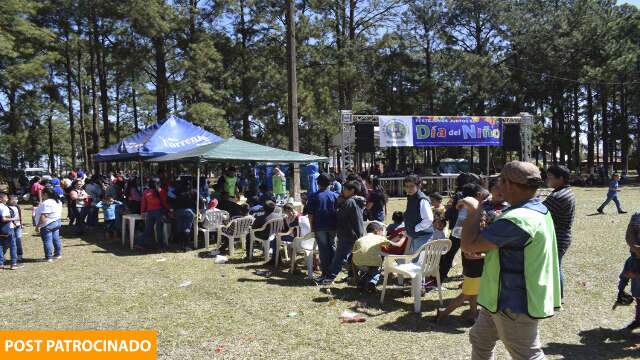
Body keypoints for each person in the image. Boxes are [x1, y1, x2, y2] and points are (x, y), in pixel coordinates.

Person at [460, 161, 561, 360]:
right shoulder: (536, 210)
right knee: (480, 338)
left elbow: (468, 245)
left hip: (513, 302)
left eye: (500, 181)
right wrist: (489, 252)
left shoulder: (517, 219)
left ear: (510, 185)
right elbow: (516, 249)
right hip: (497, 298)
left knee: (527, 355)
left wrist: (474, 211)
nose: (497, 186)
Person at [317, 181, 365, 285]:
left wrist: (338, 205)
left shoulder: (350, 202)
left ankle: (329, 278)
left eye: (345, 189)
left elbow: (339, 216)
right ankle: (352, 277)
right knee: (352, 258)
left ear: (352, 190)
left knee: (339, 258)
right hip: (355, 233)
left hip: (348, 234)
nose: (342, 191)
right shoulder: (356, 201)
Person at [543, 165, 576, 299]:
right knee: (556, 266)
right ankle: (557, 296)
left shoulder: (558, 196)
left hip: (558, 236)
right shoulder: (567, 191)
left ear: (560, 178)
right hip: (563, 235)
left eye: (550, 177)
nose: (547, 180)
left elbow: (539, 210)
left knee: (554, 268)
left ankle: (557, 297)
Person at [305, 173, 339, 282]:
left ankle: (325, 273)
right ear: (330, 183)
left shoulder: (313, 196)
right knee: (332, 247)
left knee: (323, 250)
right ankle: (333, 272)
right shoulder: (335, 196)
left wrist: (312, 227)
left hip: (320, 226)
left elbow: (310, 215)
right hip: (333, 225)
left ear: (318, 183)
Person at [352, 222, 390, 292]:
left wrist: (355, 275)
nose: (382, 233)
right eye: (381, 231)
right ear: (376, 230)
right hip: (373, 264)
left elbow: (353, 256)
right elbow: (388, 247)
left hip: (359, 265)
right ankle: (372, 283)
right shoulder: (379, 238)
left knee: (366, 269)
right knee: (376, 270)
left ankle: (361, 283)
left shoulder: (359, 240)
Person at [614, 212, 640, 313]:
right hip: (635, 258)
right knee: (626, 274)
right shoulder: (637, 217)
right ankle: (621, 293)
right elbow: (629, 235)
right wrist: (635, 248)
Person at [402, 175, 434, 254]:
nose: (409, 189)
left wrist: (415, 229)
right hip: (416, 236)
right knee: (415, 261)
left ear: (419, 186)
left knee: (419, 263)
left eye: (411, 186)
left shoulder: (422, 200)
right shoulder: (411, 197)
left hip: (423, 237)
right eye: (406, 186)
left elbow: (428, 219)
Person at [138, 178, 169, 249]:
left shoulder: (146, 192)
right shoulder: (161, 191)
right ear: (159, 183)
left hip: (149, 212)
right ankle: (160, 245)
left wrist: (142, 212)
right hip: (159, 211)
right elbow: (164, 203)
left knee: (148, 229)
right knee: (159, 229)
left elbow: (143, 203)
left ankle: (141, 243)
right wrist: (169, 210)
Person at [35, 188, 63, 262]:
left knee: (47, 241)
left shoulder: (47, 203)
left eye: (42, 194)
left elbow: (44, 216)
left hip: (48, 223)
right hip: (57, 221)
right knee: (56, 239)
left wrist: (38, 226)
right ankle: (57, 254)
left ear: (46, 194)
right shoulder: (57, 201)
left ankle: (48, 257)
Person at [0, 192, 20, 269]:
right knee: (13, 246)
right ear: (1, 199)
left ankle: (1, 264)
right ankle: (13, 264)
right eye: (6, 197)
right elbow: (4, 218)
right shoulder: (4, 207)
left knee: (0, 246)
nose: (7, 199)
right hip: (7, 228)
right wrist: (14, 219)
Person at [8, 196, 23, 262]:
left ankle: (20, 255)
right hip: (11, 226)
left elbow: (20, 216)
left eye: (16, 199)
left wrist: (21, 224)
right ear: (9, 200)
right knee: (11, 241)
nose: (15, 201)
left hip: (18, 226)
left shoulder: (17, 206)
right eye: (13, 200)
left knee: (18, 240)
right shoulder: (7, 207)